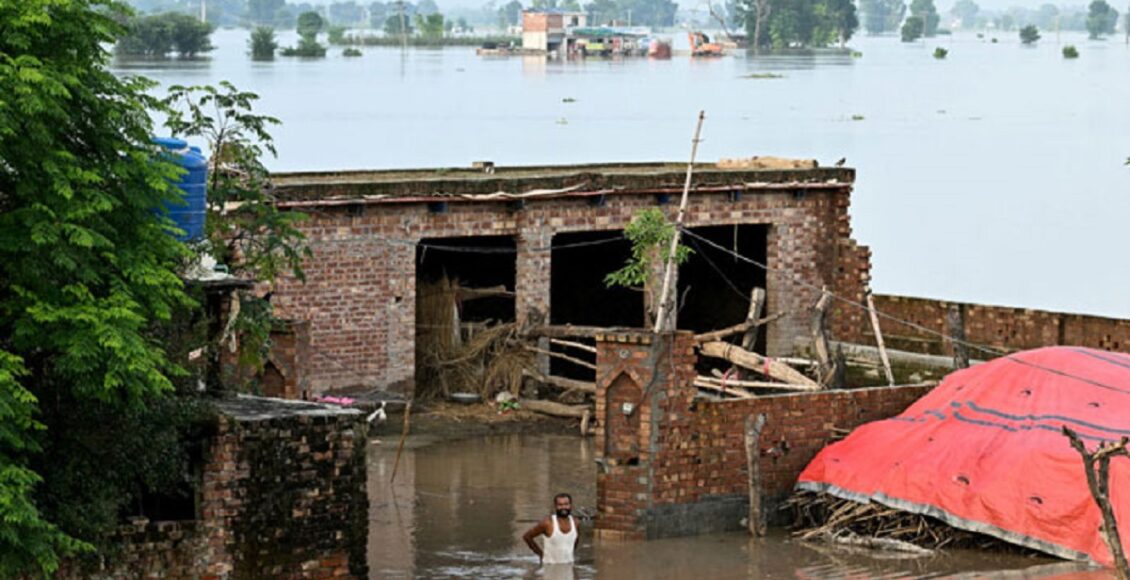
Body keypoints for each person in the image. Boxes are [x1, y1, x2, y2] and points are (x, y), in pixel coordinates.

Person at [522, 493, 578, 566]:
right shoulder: (547, 523)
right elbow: (527, 537)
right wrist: (541, 554)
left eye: (566, 504)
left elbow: (575, 540)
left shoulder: (575, 522)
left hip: (569, 565)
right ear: (555, 506)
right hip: (549, 566)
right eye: (560, 505)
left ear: (570, 505)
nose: (563, 507)